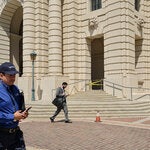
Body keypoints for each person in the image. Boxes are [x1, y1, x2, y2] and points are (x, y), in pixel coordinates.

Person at [0, 62, 28, 150]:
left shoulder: (16, 89)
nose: (13, 78)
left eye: (14, 75)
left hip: (15, 134)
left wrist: (22, 114)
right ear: (1, 75)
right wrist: (12, 116)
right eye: (10, 75)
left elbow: (17, 108)